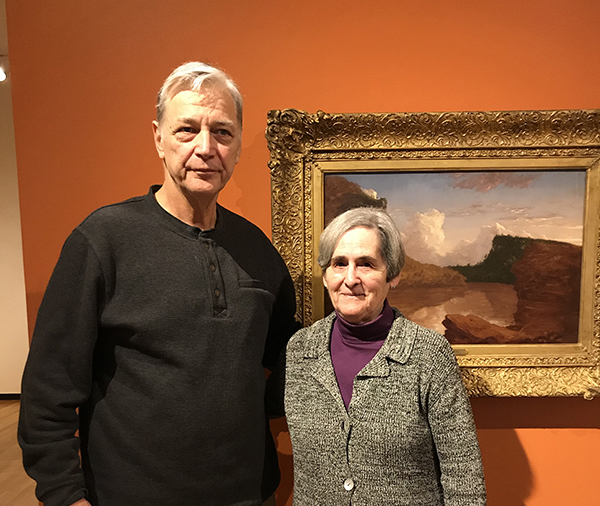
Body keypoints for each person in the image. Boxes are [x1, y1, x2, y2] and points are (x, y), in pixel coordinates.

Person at [18, 62, 299, 506]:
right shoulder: (102, 241)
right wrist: (63, 494)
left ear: (240, 145)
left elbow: (289, 356)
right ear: (158, 138)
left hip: (247, 493)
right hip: (128, 494)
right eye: (187, 130)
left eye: (222, 132)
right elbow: (47, 389)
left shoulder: (257, 249)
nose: (206, 148)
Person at [284, 207, 487, 505]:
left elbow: (463, 472)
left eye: (365, 264)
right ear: (326, 275)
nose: (350, 278)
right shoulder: (300, 351)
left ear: (392, 275)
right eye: (339, 263)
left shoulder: (428, 354)